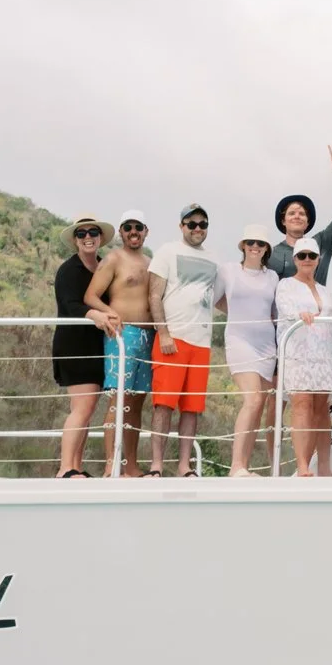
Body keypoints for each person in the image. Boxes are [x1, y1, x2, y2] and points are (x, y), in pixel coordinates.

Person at [148, 204, 223, 479]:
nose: (197, 229)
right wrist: (163, 332)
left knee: (192, 409)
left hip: (201, 343)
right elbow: (154, 295)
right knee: (164, 404)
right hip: (173, 339)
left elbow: (221, 298)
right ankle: (156, 465)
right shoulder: (167, 251)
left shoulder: (215, 259)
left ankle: (184, 467)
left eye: (202, 224)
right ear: (182, 226)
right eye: (191, 224)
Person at [83, 212, 158, 477]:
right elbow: (91, 295)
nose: (134, 231)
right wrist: (108, 313)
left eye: (138, 227)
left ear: (146, 230)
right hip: (122, 336)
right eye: (128, 227)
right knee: (118, 400)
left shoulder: (151, 262)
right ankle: (110, 464)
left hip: (147, 338)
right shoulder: (114, 258)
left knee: (137, 403)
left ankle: (131, 466)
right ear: (121, 232)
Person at [50, 216, 111, 479]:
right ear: (75, 240)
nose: (88, 237)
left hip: (97, 347)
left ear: (99, 237)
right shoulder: (68, 270)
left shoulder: (102, 267)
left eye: (93, 232)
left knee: (87, 409)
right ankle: (66, 467)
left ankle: (75, 465)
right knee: (82, 408)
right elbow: (69, 304)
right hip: (74, 345)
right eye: (82, 233)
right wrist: (94, 315)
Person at [274, 237, 332, 477]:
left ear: (318, 259)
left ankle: (324, 466)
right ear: (295, 260)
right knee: (301, 406)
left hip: (323, 354)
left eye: (312, 256)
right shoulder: (286, 285)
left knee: (322, 409)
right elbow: (285, 308)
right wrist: (298, 313)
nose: (307, 260)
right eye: (302, 256)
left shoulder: (324, 289)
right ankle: (302, 466)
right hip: (299, 353)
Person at [222, 225, 281, 476]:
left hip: (267, 344)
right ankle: (235, 466)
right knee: (253, 399)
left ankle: (244, 466)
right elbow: (216, 300)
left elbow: (274, 311)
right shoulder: (228, 271)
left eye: (260, 243)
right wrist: (238, 316)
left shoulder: (273, 276)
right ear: (243, 245)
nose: (255, 246)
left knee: (259, 406)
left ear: (266, 248)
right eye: (250, 242)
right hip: (238, 340)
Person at [266, 146, 332, 279]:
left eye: (302, 214)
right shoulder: (271, 254)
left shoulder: (322, 243)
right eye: (291, 213)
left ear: (308, 222)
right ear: (283, 220)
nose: (297, 216)